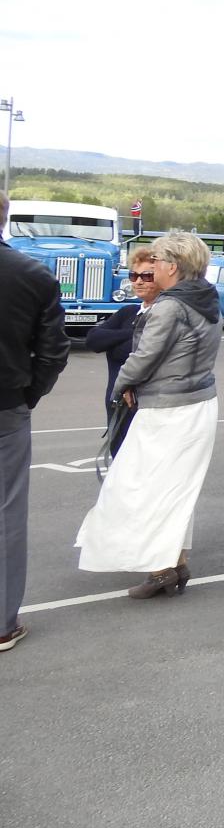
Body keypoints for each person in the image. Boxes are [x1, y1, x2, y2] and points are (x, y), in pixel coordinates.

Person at [76, 232, 223, 600]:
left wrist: (120, 387)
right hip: (198, 403)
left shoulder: (169, 307)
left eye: (155, 262)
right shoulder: (207, 299)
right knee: (174, 489)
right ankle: (175, 563)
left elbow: (143, 356)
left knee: (140, 489)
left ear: (172, 266)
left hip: (167, 410)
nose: (151, 268)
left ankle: (161, 569)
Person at [0, 192, 71, 653]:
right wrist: (28, 393)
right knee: (6, 515)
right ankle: (2, 623)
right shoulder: (31, 274)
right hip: (6, 405)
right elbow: (53, 350)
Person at [86, 245, 159, 415]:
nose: (138, 281)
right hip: (115, 403)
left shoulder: (164, 316)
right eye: (133, 276)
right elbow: (93, 340)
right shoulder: (128, 312)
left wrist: (114, 340)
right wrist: (132, 333)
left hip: (144, 406)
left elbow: (139, 353)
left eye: (147, 276)